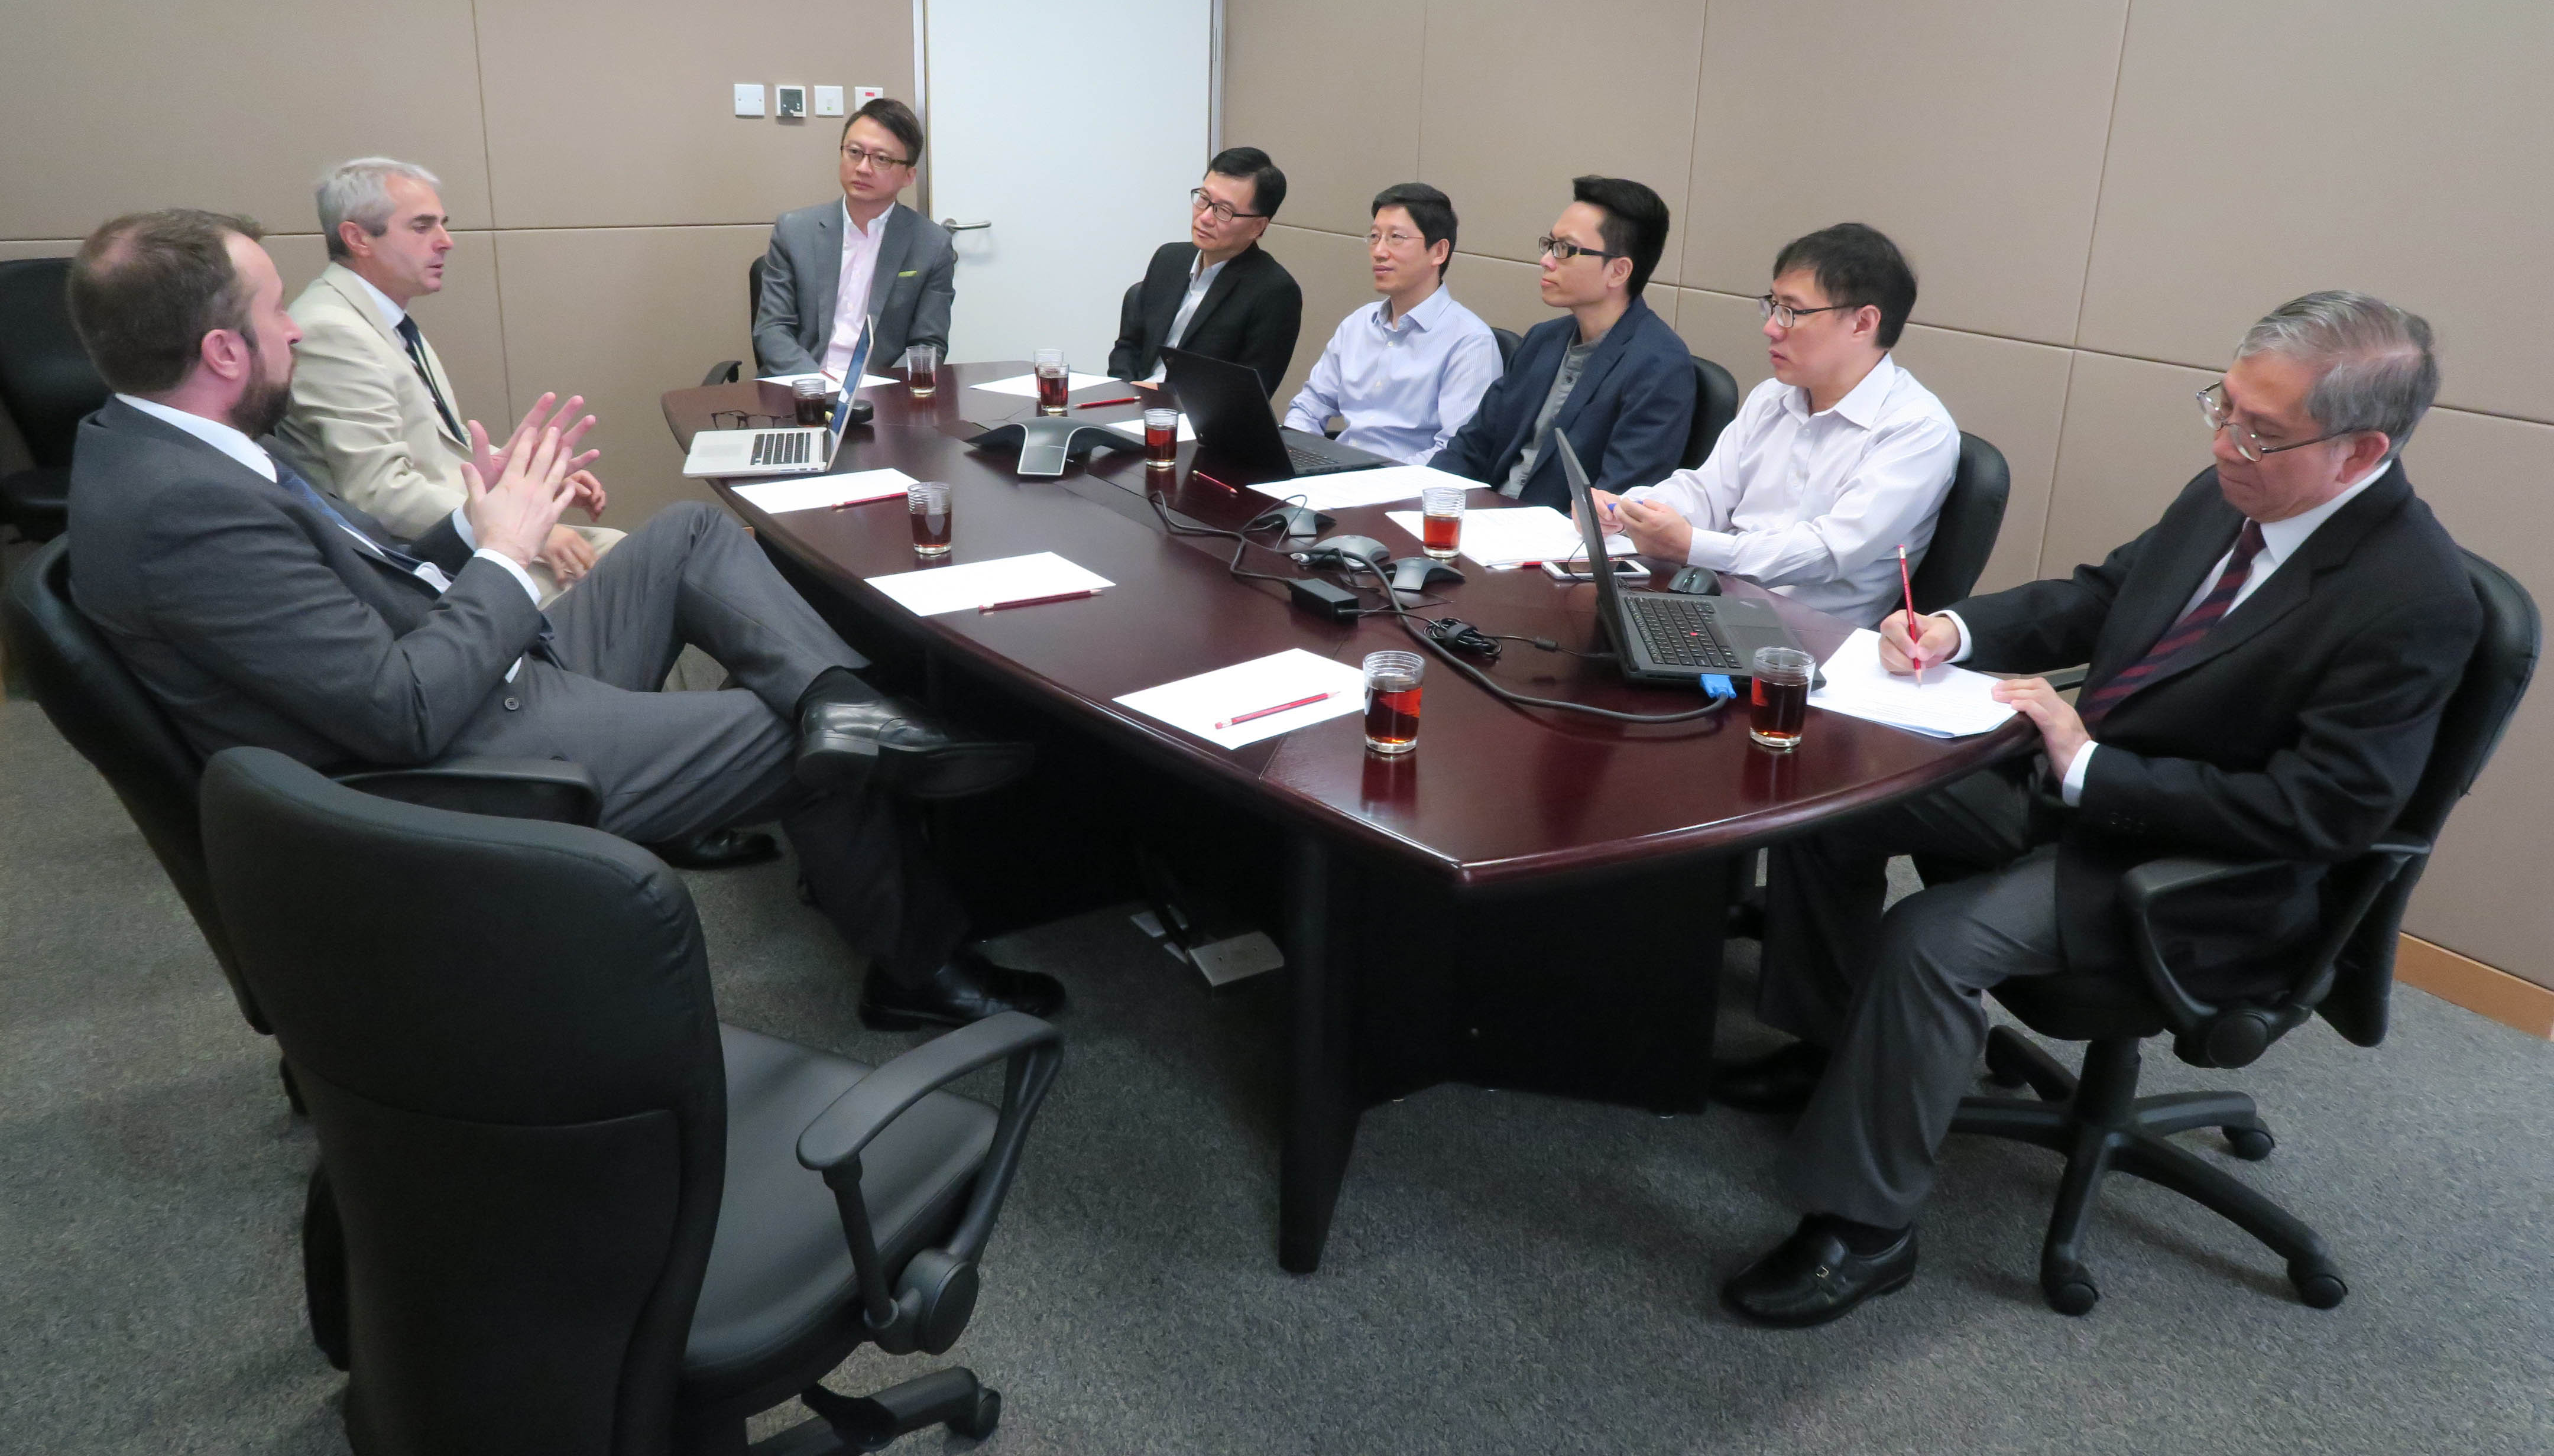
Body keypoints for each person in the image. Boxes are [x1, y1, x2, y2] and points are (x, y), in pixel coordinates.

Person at [64, 208, 1063, 1031]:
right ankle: (915, 963)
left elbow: (349, 576)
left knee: (686, 537)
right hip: (458, 760)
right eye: (279, 311)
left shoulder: (159, 444)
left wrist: (470, 520)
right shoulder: (181, 513)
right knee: (790, 732)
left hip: (468, 670)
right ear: (224, 350)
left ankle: (846, 701)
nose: (298, 329)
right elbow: (396, 715)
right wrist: (504, 551)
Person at [1714, 291, 2481, 1328]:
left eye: (2260, 430)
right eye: (2223, 407)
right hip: (2082, 795)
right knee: (1835, 798)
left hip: (2191, 867)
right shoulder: (2235, 491)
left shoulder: (2412, 597)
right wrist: (1951, 628)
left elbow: (2326, 814)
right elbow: (2100, 595)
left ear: (2360, 451)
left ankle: (1865, 1229)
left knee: (1931, 941)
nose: (2226, 442)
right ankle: (1827, 1048)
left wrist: (2091, 768)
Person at [274, 157, 618, 603]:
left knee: (640, 556)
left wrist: (532, 477)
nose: (446, 242)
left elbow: (438, 450)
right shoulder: (331, 330)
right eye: (422, 227)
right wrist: (513, 526)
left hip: (458, 534)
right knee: (638, 562)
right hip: (414, 565)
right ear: (358, 238)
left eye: (442, 225)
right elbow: (380, 493)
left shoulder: (382, 319)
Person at [1592, 223, 1958, 622]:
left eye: (1791, 312)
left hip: (1814, 645)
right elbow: (1708, 492)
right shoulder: (1773, 396)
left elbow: (1830, 551)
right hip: (1717, 606)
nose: (1770, 327)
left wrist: (1692, 546)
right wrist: (1629, 510)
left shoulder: (1916, 429)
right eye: (1772, 307)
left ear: (1863, 324)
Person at [1433, 176, 1693, 508]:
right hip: (1484, 521)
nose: (1546, 260)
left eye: (1565, 250)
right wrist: (1425, 505)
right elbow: (1470, 447)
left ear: (1618, 271)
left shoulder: (1660, 366)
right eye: (1550, 244)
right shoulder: (1542, 340)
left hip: (1558, 547)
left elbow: (1618, 504)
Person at [1281, 183, 1500, 466]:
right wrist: (1298, 458)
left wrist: (1376, 480)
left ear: (1438, 252)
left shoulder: (1470, 341)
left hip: (1405, 494)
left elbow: (1455, 451)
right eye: (1374, 237)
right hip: (1334, 478)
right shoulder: (1357, 325)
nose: (1379, 251)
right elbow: (1309, 406)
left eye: (1396, 238)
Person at [754, 98, 954, 383]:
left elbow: (928, 345)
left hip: (882, 396)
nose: (863, 168)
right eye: (855, 152)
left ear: (909, 176)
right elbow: (773, 329)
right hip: (801, 390)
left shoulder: (932, 245)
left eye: (882, 159)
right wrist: (816, 385)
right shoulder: (795, 231)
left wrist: (882, 393)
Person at [1108, 147, 1301, 394]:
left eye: (1224, 211)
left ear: (1258, 227)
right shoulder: (1169, 259)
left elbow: (1248, 393)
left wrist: (1161, 398)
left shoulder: (1273, 292)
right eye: (1203, 199)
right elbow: (1129, 346)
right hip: (1132, 407)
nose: (1206, 217)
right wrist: (1126, 393)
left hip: (1194, 423)